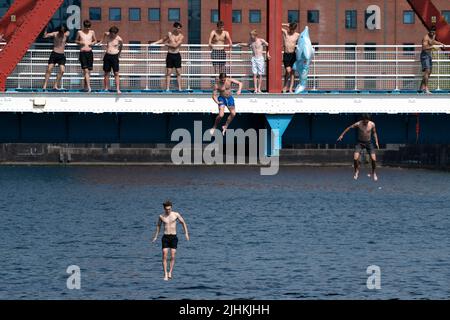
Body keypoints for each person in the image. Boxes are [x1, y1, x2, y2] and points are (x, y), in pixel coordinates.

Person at [152, 200, 189, 281]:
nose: (168, 210)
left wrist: (186, 233)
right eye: (166, 209)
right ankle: (165, 273)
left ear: (171, 208)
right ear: (164, 209)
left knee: (172, 255)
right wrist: (155, 237)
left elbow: (183, 223)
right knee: (164, 254)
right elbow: (158, 227)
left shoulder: (176, 214)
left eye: (169, 209)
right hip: (165, 237)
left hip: (173, 237)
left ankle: (170, 272)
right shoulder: (161, 216)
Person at [337, 114, 380, 181]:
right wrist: (342, 135)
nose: (365, 123)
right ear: (362, 120)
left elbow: (374, 133)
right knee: (355, 158)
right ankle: (356, 171)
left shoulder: (372, 124)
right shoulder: (358, 124)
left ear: (369, 120)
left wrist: (377, 142)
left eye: (367, 122)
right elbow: (349, 127)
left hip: (369, 143)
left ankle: (374, 173)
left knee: (374, 159)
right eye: (364, 122)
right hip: (360, 143)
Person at [150, 22, 184, 91]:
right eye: (178, 28)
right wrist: (155, 43)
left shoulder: (181, 36)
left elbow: (175, 46)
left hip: (177, 55)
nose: (179, 30)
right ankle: (167, 88)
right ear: (174, 28)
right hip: (170, 55)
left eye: (180, 28)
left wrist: (167, 44)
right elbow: (162, 40)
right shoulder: (169, 34)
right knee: (168, 72)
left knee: (178, 72)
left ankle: (180, 88)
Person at [42, 25, 70, 90]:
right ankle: (45, 85)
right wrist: (45, 29)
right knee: (49, 69)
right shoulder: (55, 34)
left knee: (62, 71)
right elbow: (45, 36)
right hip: (54, 54)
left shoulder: (66, 34)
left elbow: (68, 32)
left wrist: (66, 41)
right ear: (59, 31)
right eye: (61, 32)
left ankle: (55, 85)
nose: (61, 34)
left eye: (63, 32)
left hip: (61, 55)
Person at [420, 26, 446, 94]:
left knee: (429, 73)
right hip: (424, 55)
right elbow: (424, 47)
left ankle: (421, 88)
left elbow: (433, 41)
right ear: (429, 31)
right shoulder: (426, 38)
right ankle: (426, 89)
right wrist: (433, 48)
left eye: (433, 32)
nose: (432, 33)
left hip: (429, 55)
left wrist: (440, 44)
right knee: (427, 71)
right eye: (431, 32)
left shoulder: (433, 35)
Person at [75, 20, 100, 92]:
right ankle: (89, 87)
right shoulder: (79, 32)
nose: (88, 28)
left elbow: (95, 40)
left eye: (89, 27)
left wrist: (92, 43)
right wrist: (80, 42)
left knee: (88, 72)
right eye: (86, 27)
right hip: (83, 53)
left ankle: (85, 87)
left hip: (90, 52)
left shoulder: (92, 32)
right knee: (85, 71)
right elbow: (76, 41)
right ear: (84, 26)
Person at [101, 26, 123, 94]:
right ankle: (106, 88)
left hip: (114, 56)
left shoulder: (119, 39)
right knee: (106, 73)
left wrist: (119, 54)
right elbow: (104, 33)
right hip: (107, 55)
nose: (111, 35)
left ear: (116, 33)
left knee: (116, 73)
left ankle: (118, 89)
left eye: (113, 34)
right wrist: (101, 41)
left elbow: (121, 47)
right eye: (111, 33)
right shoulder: (108, 34)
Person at [281, 22, 300, 93]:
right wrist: (286, 24)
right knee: (288, 71)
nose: (292, 31)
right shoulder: (285, 32)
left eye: (293, 30)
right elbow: (277, 25)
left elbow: (305, 39)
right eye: (291, 29)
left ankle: (290, 88)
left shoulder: (297, 35)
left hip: (293, 55)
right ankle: (285, 86)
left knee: (292, 72)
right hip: (286, 54)